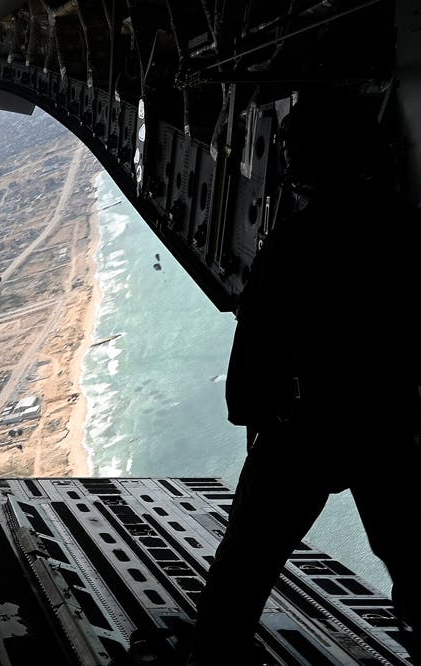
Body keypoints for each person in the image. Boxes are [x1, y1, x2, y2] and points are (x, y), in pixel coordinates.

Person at [187, 90, 421, 664]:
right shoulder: (406, 230)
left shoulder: (292, 243)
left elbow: (255, 354)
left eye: (294, 152)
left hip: (307, 424)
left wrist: (256, 411)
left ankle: (219, 654)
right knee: (413, 554)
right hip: (387, 420)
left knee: (248, 557)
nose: (288, 162)